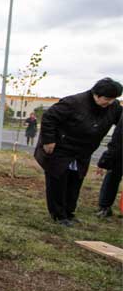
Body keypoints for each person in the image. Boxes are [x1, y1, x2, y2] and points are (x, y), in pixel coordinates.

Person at [34, 78, 122, 226]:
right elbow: (49, 118)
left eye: (113, 99)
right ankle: (58, 215)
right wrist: (49, 140)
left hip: (82, 152)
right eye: (107, 99)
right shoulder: (73, 103)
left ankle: (69, 212)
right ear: (96, 94)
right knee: (58, 182)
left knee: (75, 182)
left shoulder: (113, 108)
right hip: (61, 149)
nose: (110, 102)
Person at [96, 113, 122, 218]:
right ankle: (105, 207)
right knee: (112, 178)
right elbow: (118, 138)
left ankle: (104, 207)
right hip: (119, 155)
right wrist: (106, 160)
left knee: (112, 178)